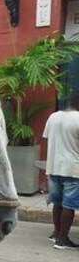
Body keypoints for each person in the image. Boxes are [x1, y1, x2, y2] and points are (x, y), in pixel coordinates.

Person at [43, 91, 79, 249]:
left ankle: (56, 233)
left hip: (53, 166)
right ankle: (62, 239)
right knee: (69, 205)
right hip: (73, 168)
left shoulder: (53, 117)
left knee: (57, 202)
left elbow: (47, 138)